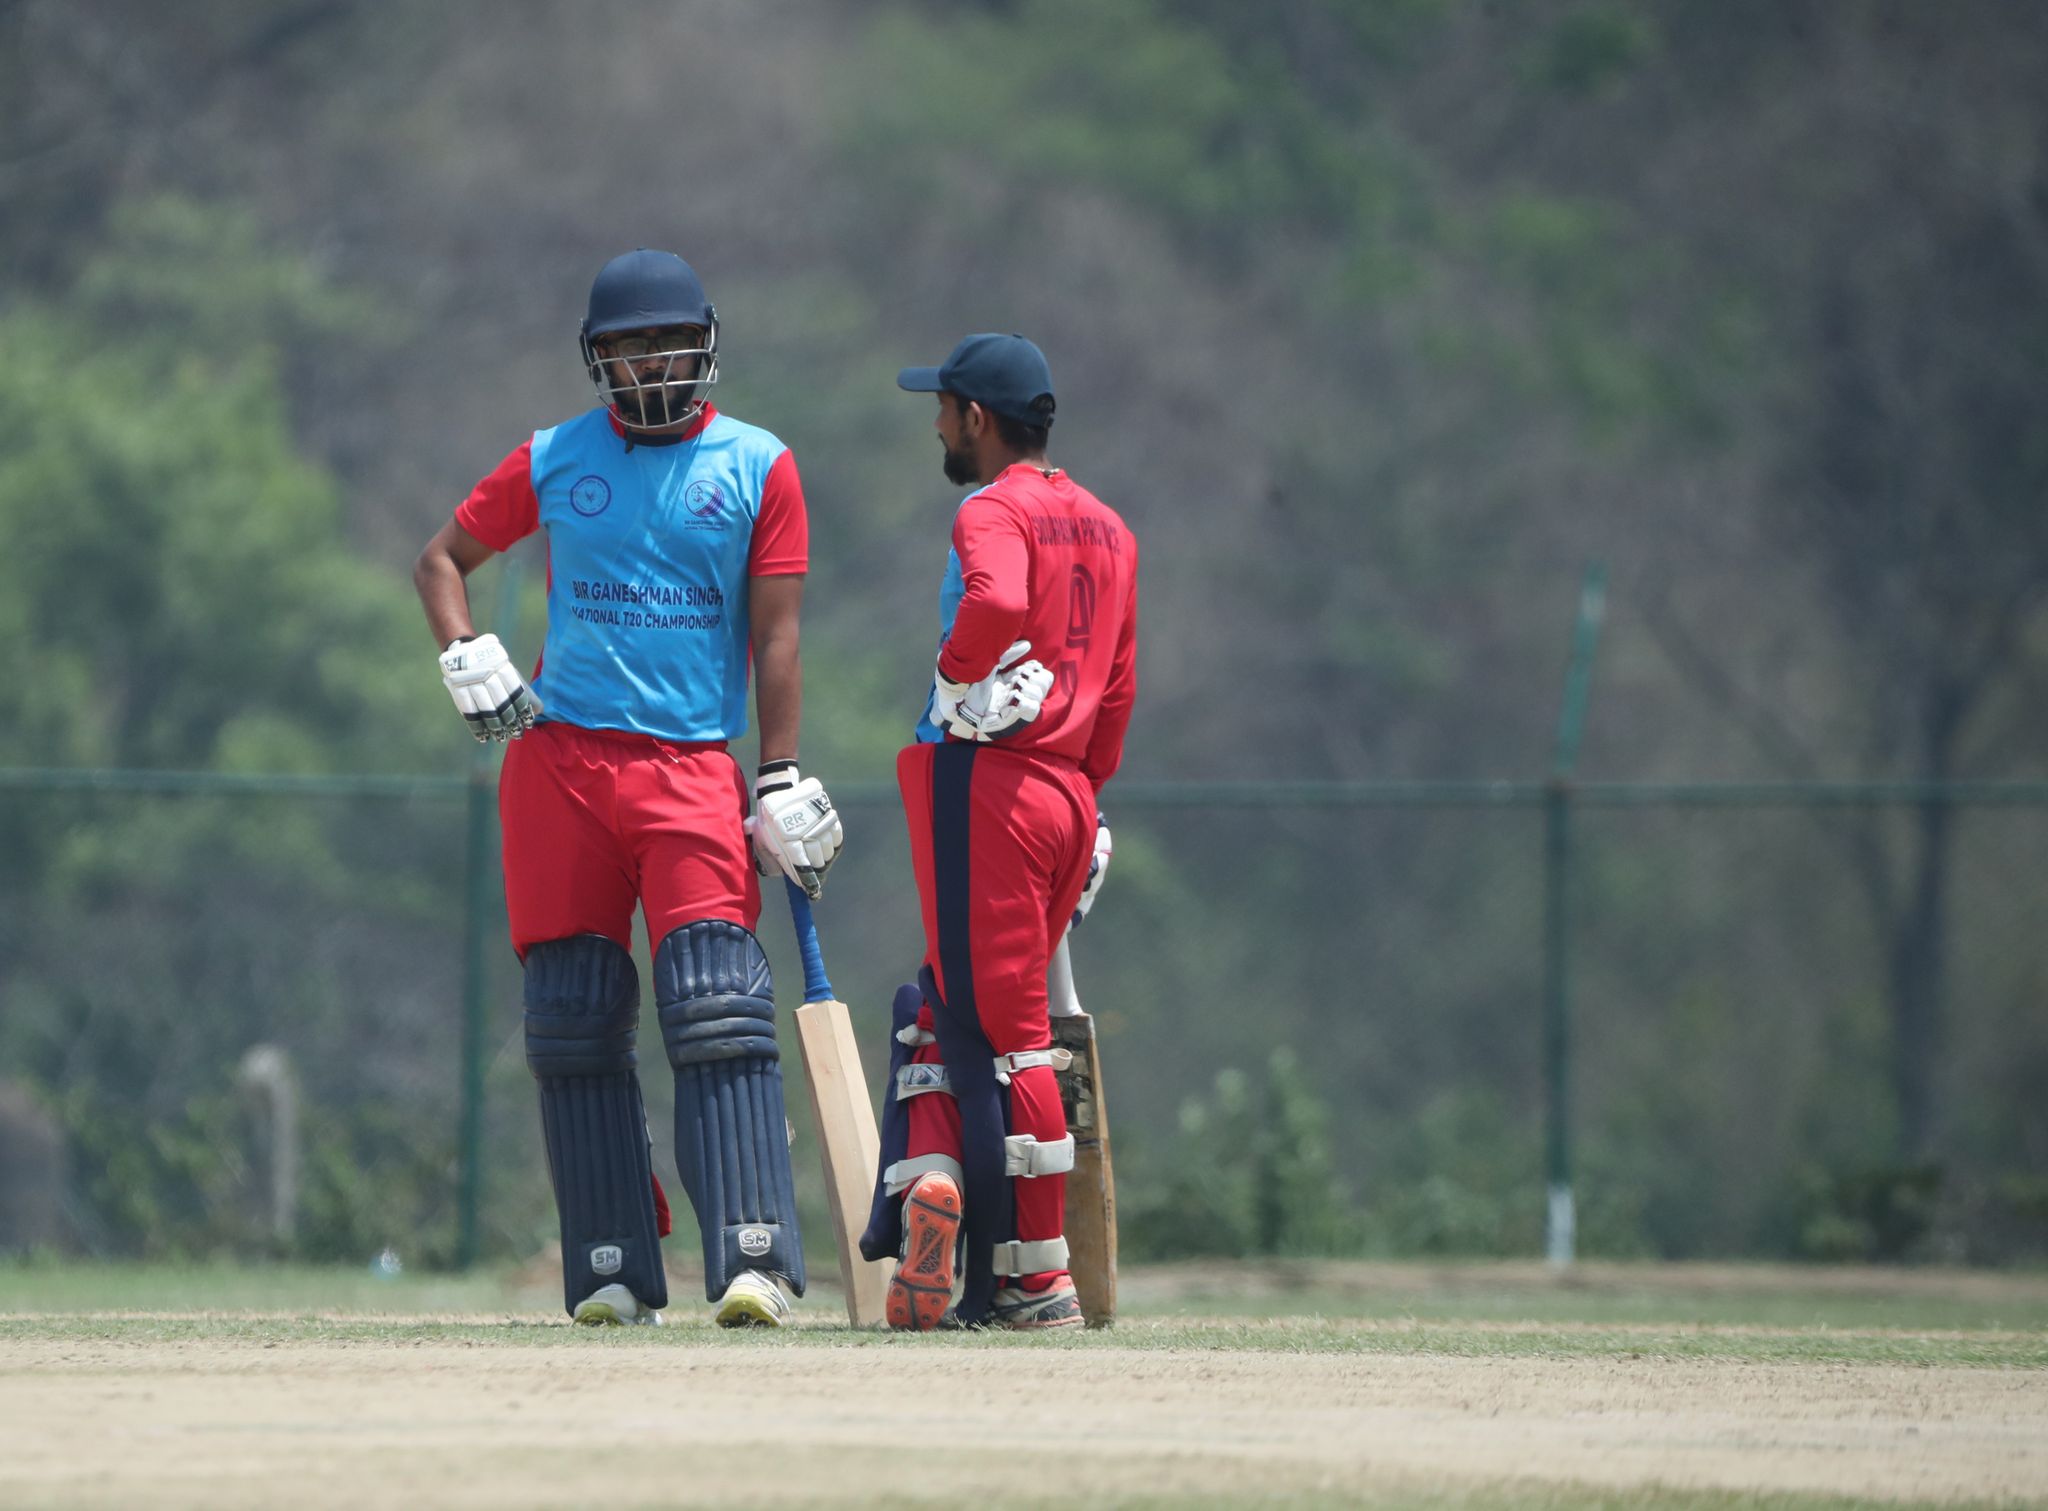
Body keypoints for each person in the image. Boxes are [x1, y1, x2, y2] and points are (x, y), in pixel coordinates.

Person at [412, 248, 843, 1328]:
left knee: (715, 1001)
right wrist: (462, 652)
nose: (647, 363)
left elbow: (777, 636)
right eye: (624, 346)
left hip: (691, 764)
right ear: (595, 358)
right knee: (571, 1019)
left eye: (663, 341)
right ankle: (611, 1264)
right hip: (556, 764)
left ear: (703, 345)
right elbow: (440, 560)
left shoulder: (759, 464)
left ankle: (751, 1255)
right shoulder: (555, 457)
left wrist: (778, 771)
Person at [861, 333, 1137, 1330]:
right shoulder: (1109, 527)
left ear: (977, 419)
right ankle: (932, 1179)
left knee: (1010, 1041)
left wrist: (957, 676)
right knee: (950, 1010)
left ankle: (1030, 1273)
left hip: (990, 787)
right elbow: (1117, 686)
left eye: (943, 408)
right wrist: (1085, 797)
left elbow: (995, 599)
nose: (935, 423)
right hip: (1064, 790)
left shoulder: (990, 506)